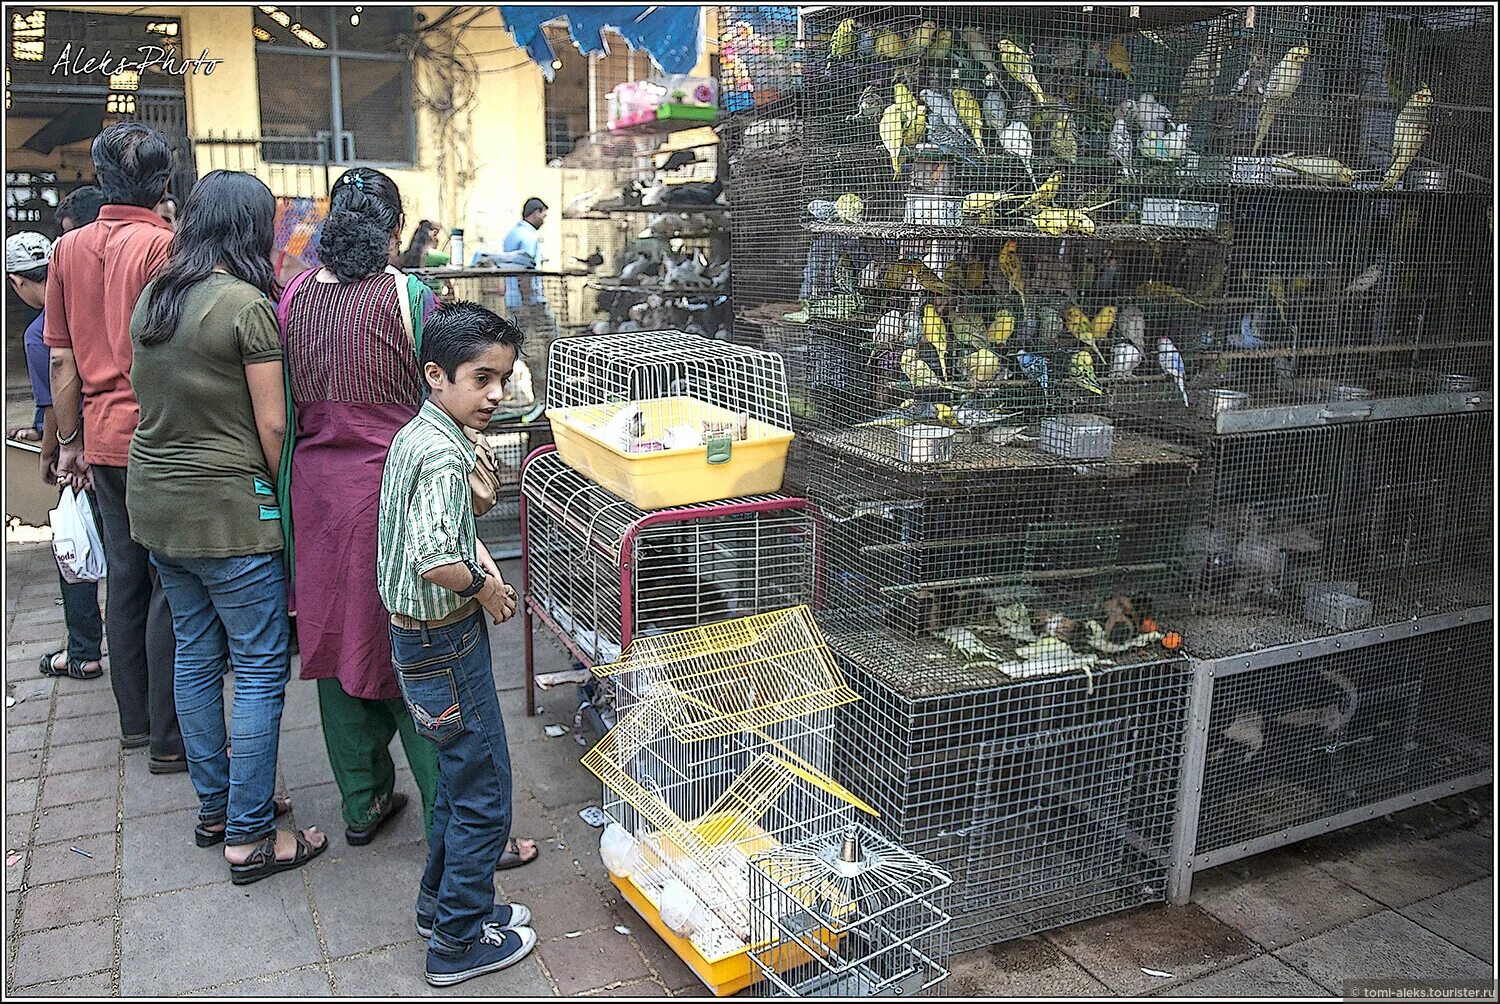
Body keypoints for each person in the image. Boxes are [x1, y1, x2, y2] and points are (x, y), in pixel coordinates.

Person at [127, 170, 326, 881]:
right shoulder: (247, 307)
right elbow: (274, 424)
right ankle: (248, 835)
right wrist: (289, 507)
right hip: (230, 512)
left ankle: (215, 808)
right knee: (262, 665)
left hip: (156, 505)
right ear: (250, 228)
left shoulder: (156, 296)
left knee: (194, 653)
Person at [277, 168, 441, 846]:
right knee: (417, 647)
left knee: (336, 643)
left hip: (316, 499)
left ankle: (363, 804)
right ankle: (456, 825)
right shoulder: (410, 297)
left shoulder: (291, 299)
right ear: (396, 230)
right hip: (395, 496)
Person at [377, 300, 535, 986]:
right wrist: (487, 589)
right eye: (481, 379)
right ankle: (458, 944)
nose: (496, 394)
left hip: (417, 642)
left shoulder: (418, 432)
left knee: (456, 779)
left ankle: (441, 905)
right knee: (485, 795)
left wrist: (477, 563)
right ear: (436, 375)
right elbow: (433, 558)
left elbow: (429, 533)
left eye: (503, 377)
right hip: (444, 642)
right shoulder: (443, 456)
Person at [45, 122, 184, 770]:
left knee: (125, 580)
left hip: (101, 439)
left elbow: (63, 365)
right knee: (169, 584)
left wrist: (69, 442)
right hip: (158, 435)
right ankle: (167, 734)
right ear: (162, 184)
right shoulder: (163, 245)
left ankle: (134, 723)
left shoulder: (66, 249)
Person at [7, 232, 105, 680]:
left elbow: (53, 406)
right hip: (120, 437)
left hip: (81, 453)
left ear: (16, 282)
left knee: (74, 548)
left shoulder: (38, 332)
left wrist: (53, 454)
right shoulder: (93, 306)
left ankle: (83, 651)